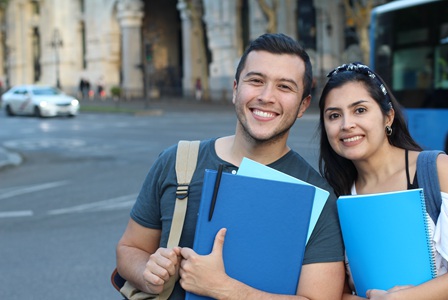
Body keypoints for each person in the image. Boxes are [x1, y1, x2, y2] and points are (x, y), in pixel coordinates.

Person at [116, 33, 345, 299]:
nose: (267, 96)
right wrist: (148, 272)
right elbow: (129, 248)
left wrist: (223, 288)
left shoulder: (317, 195)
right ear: (236, 89)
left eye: (285, 87)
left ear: (303, 104)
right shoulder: (177, 161)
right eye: (256, 81)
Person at [317, 62, 448, 300]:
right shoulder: (336, 193)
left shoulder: (435, 170)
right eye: (334, 115)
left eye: (360, 110)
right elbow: (334, 290)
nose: (346, 124)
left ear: (388, 117)